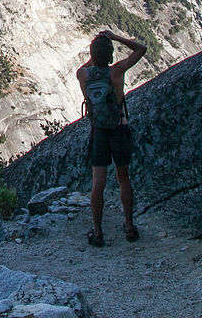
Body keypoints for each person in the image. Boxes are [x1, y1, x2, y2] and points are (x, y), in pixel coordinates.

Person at [77, 28, 146, 247]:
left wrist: (94, 57)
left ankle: (97, 232)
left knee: (98, 183)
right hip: (119, 129)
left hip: (98, 132)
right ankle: (129, 226)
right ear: (110, 56)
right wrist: (115, 38)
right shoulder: (116, 72)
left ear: (92, 54)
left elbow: (84, 67)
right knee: (123, 179)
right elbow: (141, 49)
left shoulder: (83, 76)